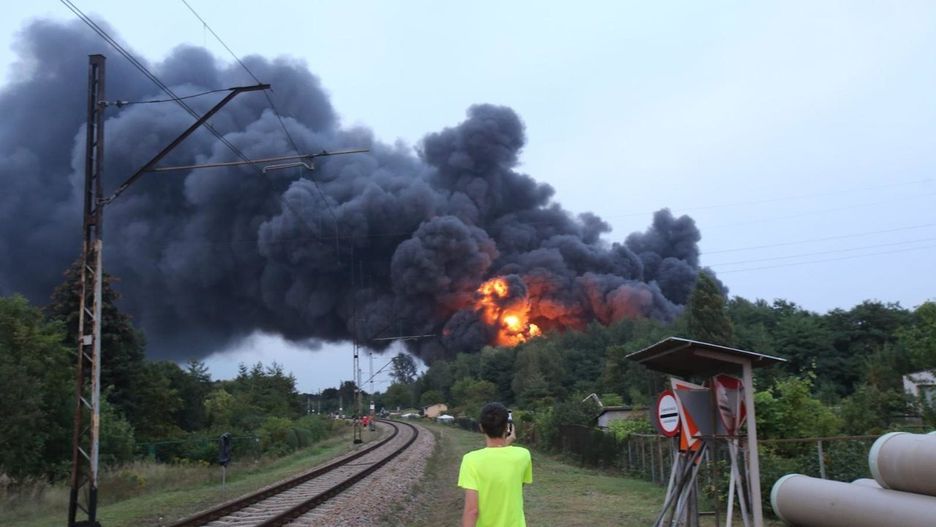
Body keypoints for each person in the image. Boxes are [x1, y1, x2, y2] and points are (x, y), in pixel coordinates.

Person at [457, 402, 533, 527]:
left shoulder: (470, 460)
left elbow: (472, 511)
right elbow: (515, 483)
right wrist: (508, 441)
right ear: (507, 427)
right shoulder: (523, 455)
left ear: (481, 427)